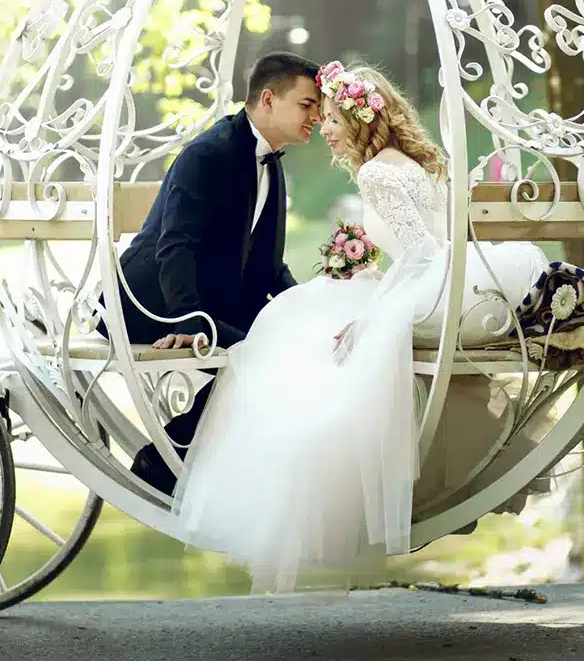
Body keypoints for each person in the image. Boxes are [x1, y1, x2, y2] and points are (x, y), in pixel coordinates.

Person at [167, 61, 551, 593]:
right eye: (316, 115)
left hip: (427, 288)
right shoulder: (411, 163)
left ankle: (282, 488)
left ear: (355, 118)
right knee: (298, 316)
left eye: (328, 118)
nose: (322, 130)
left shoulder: (376, 173)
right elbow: (424, 249)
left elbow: (420, 256)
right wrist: (361, 269)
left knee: (291, 337)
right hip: (446, 283)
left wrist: (370, 317)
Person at [104, 50, 323, 493]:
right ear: (268, 99)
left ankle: (191, 459)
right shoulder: (208, 153)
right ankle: (167, 459)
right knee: (260, 355)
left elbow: (267, 267)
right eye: (307, 104)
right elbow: (174, 245)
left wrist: (309, 310)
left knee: (298, 347)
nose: (317, 116)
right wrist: (188, 319)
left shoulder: (270, 165)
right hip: (150, 303)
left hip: (212, 302)